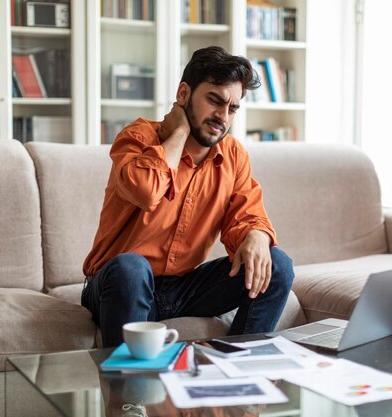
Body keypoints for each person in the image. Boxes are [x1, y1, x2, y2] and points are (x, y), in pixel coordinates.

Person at [82, 46, 295, 347]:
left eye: (232, 108)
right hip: (119, 285)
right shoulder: (138, 137)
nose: (223, 116)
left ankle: (234, 366)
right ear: (183, 94)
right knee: (131, 268)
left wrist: (257, 234)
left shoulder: (233, 155)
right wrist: (179, 133)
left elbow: (247, 215)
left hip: (183, 289)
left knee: (278, 264)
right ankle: (129, 390)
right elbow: (146, 190)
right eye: (215, 101)